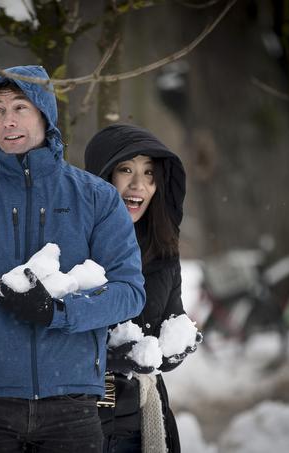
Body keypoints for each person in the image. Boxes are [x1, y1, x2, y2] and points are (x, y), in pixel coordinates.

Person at [0, 65, 146, 453]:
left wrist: (59, 310)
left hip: (72, 406)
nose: (8, 121)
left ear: (44, 113)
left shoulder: (96, 198)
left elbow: (128, 292)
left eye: (20, 107)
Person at [84, 124, 202, 453]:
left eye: (149, 173)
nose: (139, 185)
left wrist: (176, 347)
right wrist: (109, 355)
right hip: (76, 419)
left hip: (140, 418)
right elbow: (51, 329)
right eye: (126, 170)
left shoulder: (164, 248)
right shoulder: (73, 243)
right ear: (102, 176)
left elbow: (169, 322)